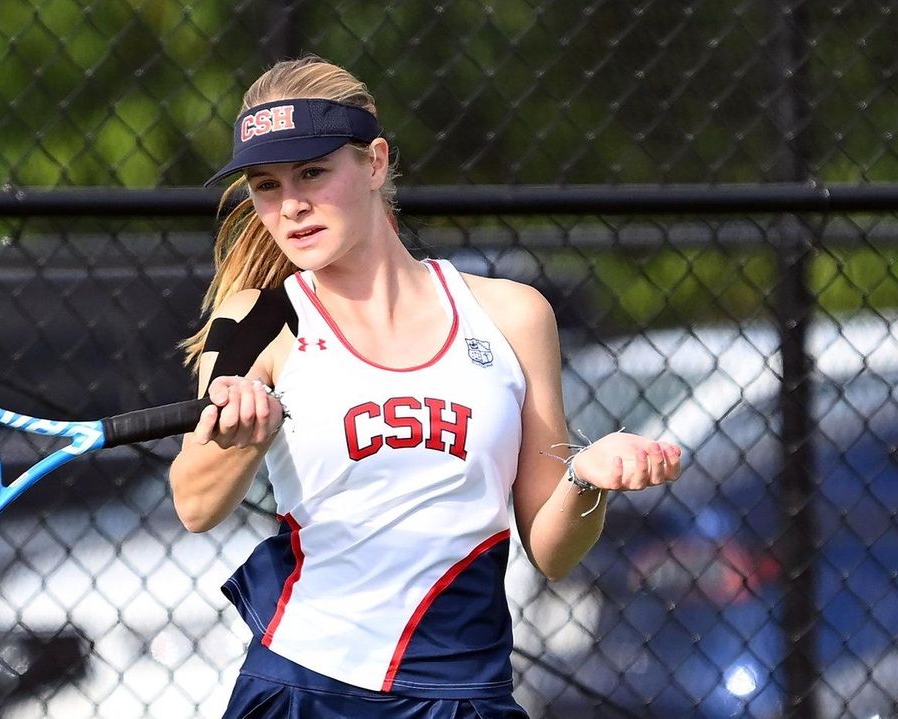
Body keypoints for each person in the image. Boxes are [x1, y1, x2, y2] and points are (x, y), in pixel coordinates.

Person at [168, 56, 683, 719]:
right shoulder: (257, 319)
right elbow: (194, 501)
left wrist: (587, 478)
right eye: (266, 185)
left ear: (375, 163)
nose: (290, 204)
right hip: (306, 690)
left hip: (467, 695)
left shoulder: (512, 315)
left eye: (313, 173)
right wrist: (243, 437)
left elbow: (552, 551)